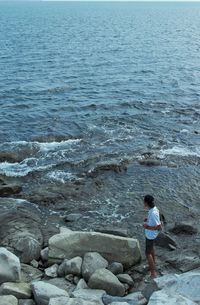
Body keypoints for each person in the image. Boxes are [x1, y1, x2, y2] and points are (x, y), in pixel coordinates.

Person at [143, 194, 161, 279]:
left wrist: (148, 227)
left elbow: (158, 226)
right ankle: (153, 264)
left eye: (144, 201)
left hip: (150, 235)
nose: (143, 202)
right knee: (151, 249)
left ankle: (153, 274)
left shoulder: (153, 213)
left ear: (146, 202)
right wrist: (148, 220)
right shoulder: (153, 209)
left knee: (147, 253)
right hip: (151, 235)